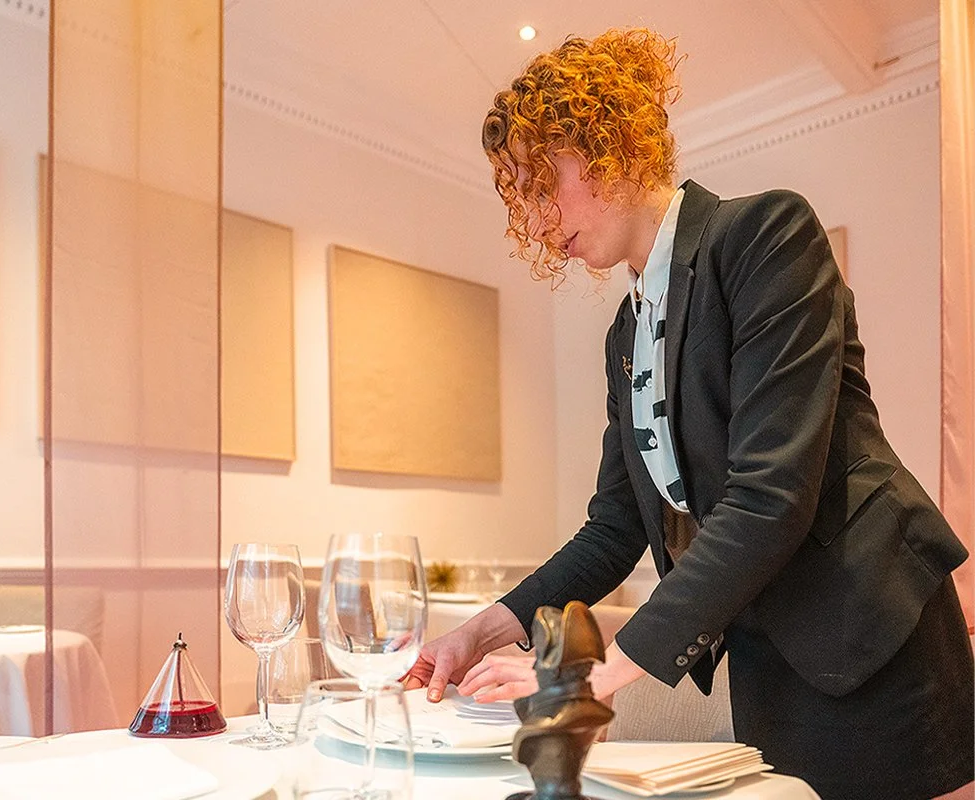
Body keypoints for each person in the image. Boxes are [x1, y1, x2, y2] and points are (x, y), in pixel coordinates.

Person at [402, 28, 974, 800]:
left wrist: (597, 679)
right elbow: (613, 531)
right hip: (771, 649)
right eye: (521, 202)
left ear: (606, 144)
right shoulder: (626, 335)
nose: (537, 224)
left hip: (869, 629)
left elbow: (770, 498)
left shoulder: (766, 237)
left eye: (543, 186)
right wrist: (479, 630)